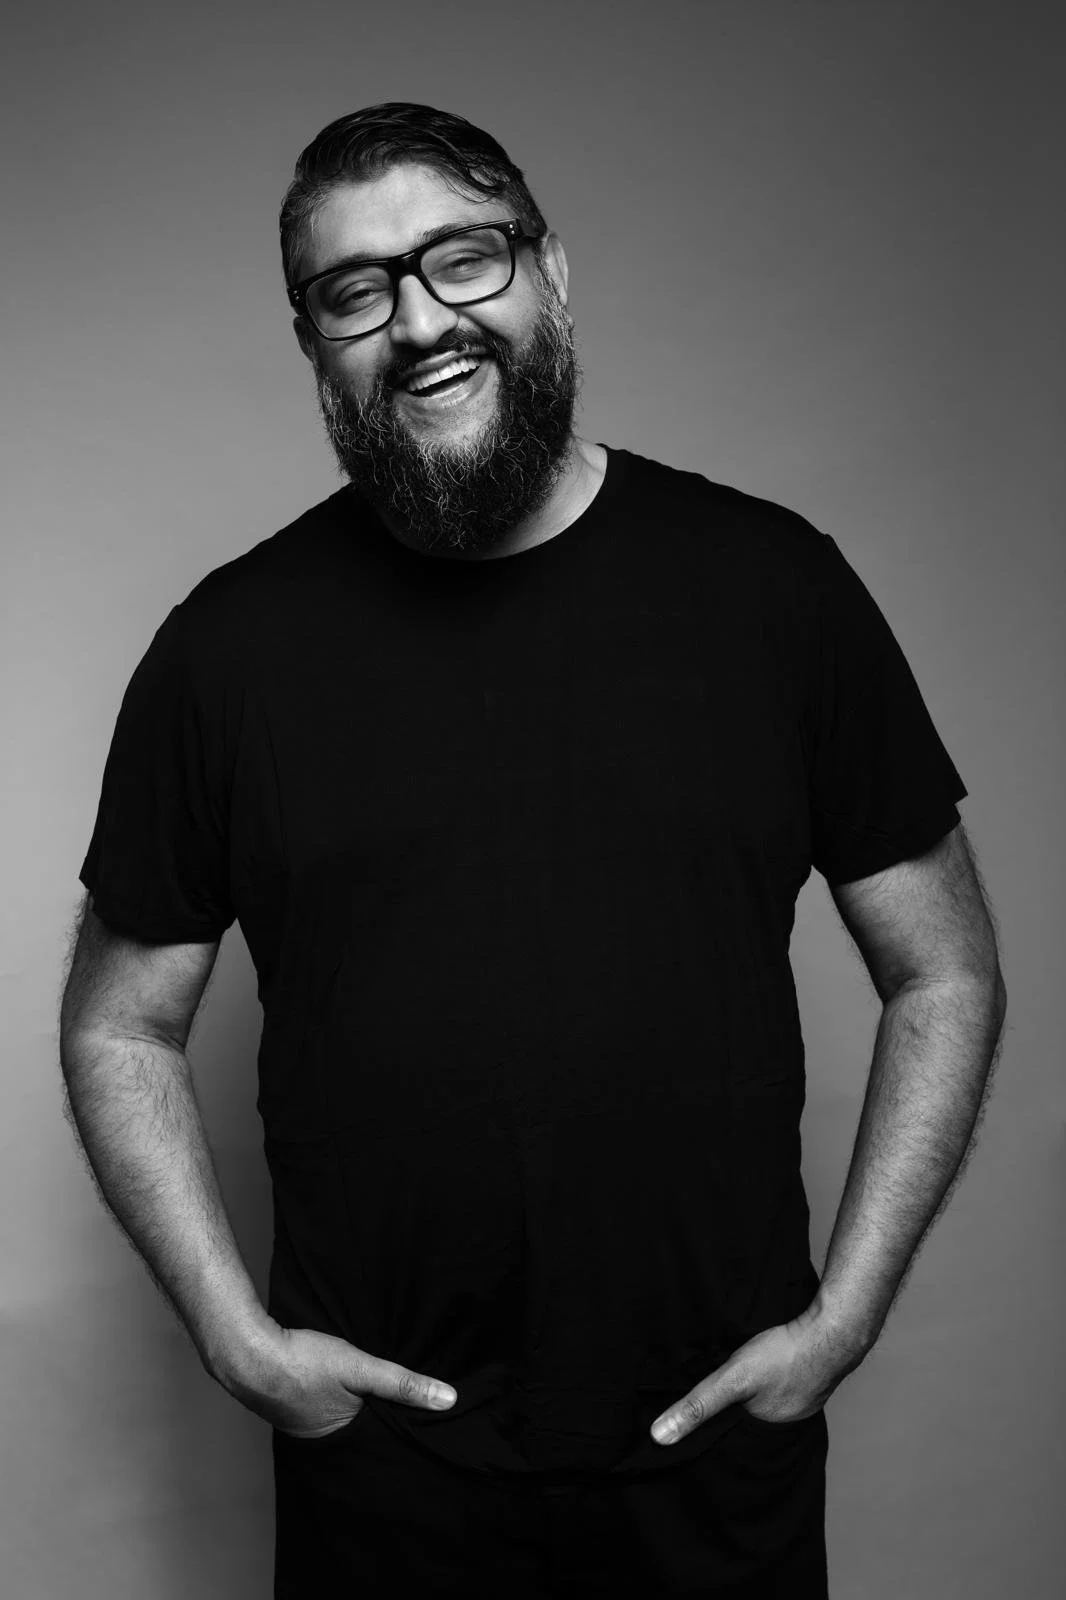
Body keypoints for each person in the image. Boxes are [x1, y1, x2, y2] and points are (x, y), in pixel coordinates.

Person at [59, 102, 1007, 1598]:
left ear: (550, 273)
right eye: (355, 290)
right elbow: (120, 1025)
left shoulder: (774, 592)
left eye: (463, 257)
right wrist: (240, 1344)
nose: (420, 319)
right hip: (383, 1473)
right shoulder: (226, 653)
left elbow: (941, 970)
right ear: (313, 341)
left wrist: (844, 1318)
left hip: (710, 1450)